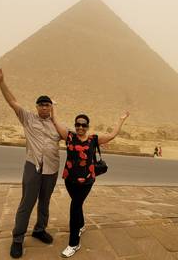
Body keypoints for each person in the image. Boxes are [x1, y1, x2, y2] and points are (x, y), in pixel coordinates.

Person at [0, 63, 61, 259]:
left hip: (51, 170)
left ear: (51, 107)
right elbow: (12, 101)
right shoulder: (28, 118)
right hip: (33, 167)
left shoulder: (58, 125)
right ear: (37, 107)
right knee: (26, 203)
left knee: (44, 203)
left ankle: (39, 229)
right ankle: (17, 239)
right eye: (41, 104)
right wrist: (1, 82)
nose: (44, 107)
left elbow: (76, 136)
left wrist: (96, 143)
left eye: (47, 105)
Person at [51, 107, 130, 258]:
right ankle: (81, 226)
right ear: (75, 125)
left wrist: (121, 120)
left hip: (86, 181)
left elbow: (112, 135)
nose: (80, 127)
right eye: (78, 124)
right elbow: (55, 122)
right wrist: (53, 108)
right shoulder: (68, 136)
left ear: (88, 126)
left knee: (74, 207)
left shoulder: (94, 139)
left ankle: (74, 243)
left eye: (84, 125)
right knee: (77, 203)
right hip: (70, 179)